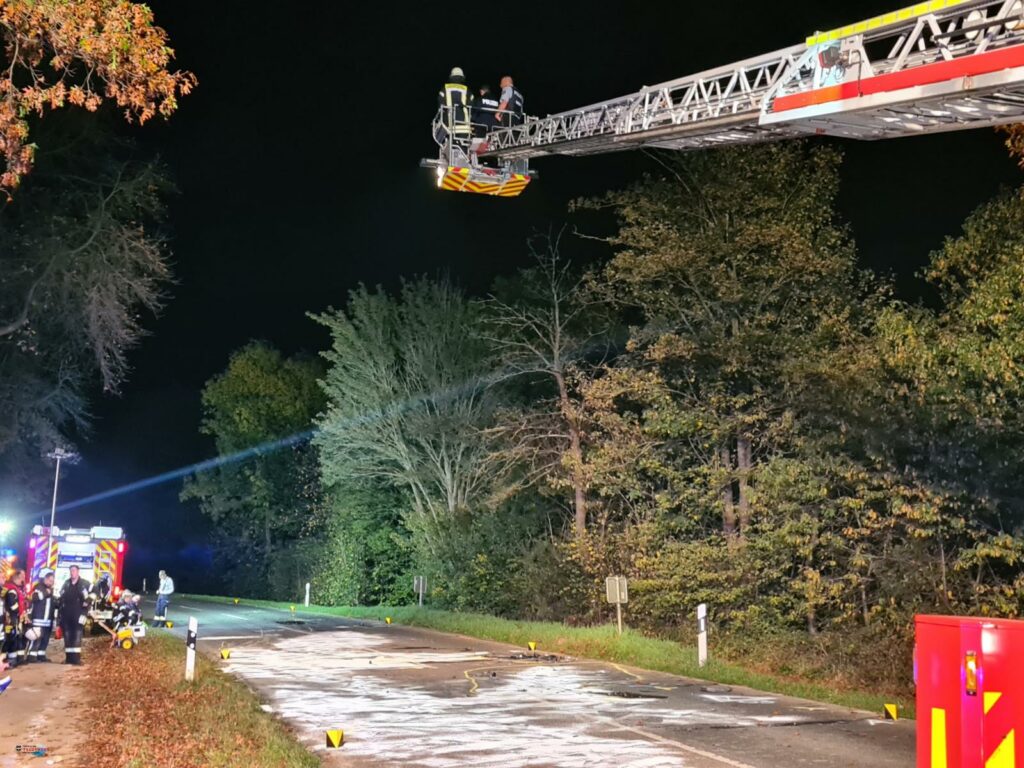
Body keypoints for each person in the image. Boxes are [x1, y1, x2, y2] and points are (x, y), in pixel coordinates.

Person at [57, 565, 91, 665]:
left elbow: (95, 591)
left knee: (77, 635)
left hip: (79, 613)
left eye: (74, 570)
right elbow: (61, 597)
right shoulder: (66, 583)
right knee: (67, 635)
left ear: (78, 571)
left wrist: (89, 600)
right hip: (66, 614)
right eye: (71, 571)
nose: (72, 572)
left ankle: (76, 660)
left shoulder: (85, 583)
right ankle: (69, 659)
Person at [25, 569, 55, 663]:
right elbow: (35, 598)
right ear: (45, 579)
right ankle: (31, 656)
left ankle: (41, 655)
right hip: (38, 619)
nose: (51, 582)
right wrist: (46, 593)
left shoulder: (50, 590)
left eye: (52, 581)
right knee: (36, 638)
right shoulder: (38, 587)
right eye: (49, 580)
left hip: (47, 620)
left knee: (45, 639)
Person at [439, 67, 471, 145]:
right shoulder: (466, 90)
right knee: (463, 148)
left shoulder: (445, 89)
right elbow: (471, 105)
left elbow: (440, 105)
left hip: (449, 126)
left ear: (451, 77)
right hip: (464, 127)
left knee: (450, 147)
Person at [1, 569, 27, 668]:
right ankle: (8, 660)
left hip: (12, 619)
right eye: (22, 576)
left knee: (13, 638)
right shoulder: (11, 590)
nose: (24, 578)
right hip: (10, 619)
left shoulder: (16, 588)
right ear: (17, 577)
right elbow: (12, 606)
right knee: (10, 639)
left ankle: (13, 660)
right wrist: (20, 612)